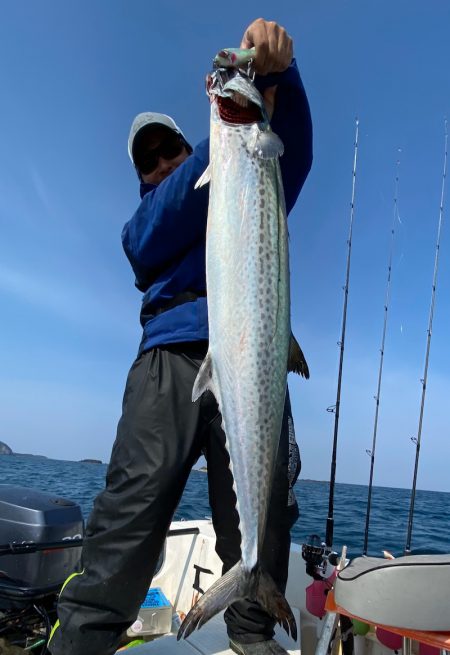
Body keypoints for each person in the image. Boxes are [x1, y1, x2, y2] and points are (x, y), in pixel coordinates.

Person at [48, 18, 312, 655]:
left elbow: (292, 151)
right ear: (143, 177)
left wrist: (281, 79)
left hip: (254, 353)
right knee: (128, 519)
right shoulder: (149, 220)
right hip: (168, 363)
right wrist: (225, 131)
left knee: (265, 519)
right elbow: (156, 226)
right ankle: (82, 640)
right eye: (151, 160)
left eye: (171, 149)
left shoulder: (250, 168)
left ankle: (254, 633)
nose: (164, 162)